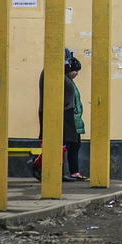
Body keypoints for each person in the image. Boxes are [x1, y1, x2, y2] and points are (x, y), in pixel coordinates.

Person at [37, 49, 86, 181]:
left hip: (65, 112)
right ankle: (43, 167)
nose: (69, 66)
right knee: (59, 144)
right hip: (57, 112)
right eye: (69, 62)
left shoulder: (61, 74)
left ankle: (57, 171)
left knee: (64, 144)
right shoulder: (53, 72)